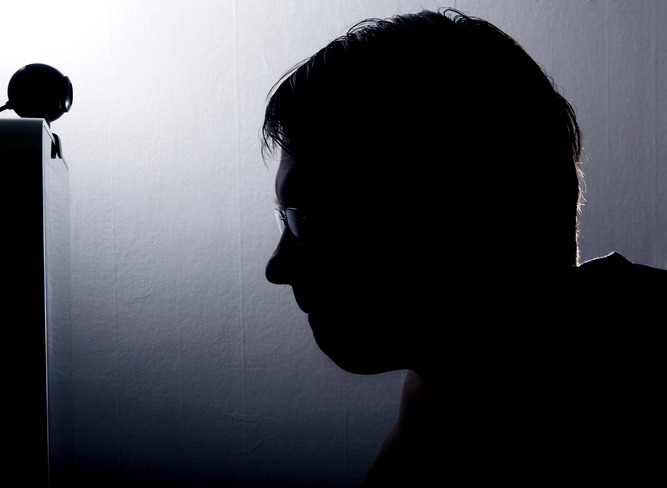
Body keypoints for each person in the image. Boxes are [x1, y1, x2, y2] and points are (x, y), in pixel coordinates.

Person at [262, 9, 666, 485]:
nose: (277, 268)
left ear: (461, 210)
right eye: (288, 217)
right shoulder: (452, 384)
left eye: (310, 220)